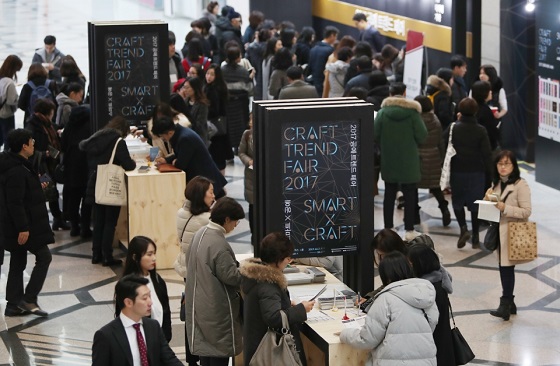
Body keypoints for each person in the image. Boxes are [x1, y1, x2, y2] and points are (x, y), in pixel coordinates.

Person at [339, 251, 438, 365]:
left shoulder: (385, 299)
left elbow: (367, 340)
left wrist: (345, 334)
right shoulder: (426, 295)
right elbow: (432, 324)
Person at [185, 197, 245, 366]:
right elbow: (231, 277)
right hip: (217, 310)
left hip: (199, 305)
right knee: (219, 356)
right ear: (226, 219)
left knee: (206, 353)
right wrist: (247, 271)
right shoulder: (219, 244)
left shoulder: (200, 233)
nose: (235, 226)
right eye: (235, 221)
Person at [0, 129, 54, 317]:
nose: (33, 144)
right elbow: (15, 203)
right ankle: (29, 298)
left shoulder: (18, 164)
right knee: (45, 256)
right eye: (31, 141)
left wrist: (36, 184)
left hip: (16, 224)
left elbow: (20, 194)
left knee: (18, 260)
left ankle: (13, 304)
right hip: (23, 225)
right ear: (24, 146)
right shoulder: (16, 170)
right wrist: (23, 228)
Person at [240, 232, 315, 366]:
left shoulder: (255, 277)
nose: (289, 261)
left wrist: (285, 303)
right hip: (268, 352)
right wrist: (301, 309)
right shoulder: (268, 284)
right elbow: (273, 318)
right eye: (287, 258)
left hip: (255, 344)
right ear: (278, 260)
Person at [79, 116, 136, 265]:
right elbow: (128, 165)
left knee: (99, 221)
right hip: (110, 185)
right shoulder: (118, 142)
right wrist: (134, 162)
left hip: (94, 184)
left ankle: (96, 254)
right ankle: (107, 256)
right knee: (110, 222)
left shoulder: (96, 139)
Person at [374, 82, 427, 241]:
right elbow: (423, 136)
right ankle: (409, 230)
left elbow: (375, 135)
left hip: (389, 160)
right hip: (409, 161)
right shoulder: (412, 113)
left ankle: (388, 227)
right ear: (404, 93)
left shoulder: (383, 113)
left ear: (390, 93)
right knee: (410, 196)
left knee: (389, 194)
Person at [92, 274, 183, 366]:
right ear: (128, 302)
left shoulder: (153, 326)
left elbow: (169, 359)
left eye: (149, 296)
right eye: (144, 298)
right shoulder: (106, 335)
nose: (150, 302)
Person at [484, 150, 532, 321]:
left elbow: (527, 211)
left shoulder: (521, 185)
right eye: (500, 164)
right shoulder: (495, 184)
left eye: (507, 163)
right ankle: (510, 304)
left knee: (506, 268)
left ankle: (505, 304)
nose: (503, 167)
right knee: (503, 267)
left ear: (513, 166)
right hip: (499, 232)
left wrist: (505, 208)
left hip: (513, 232)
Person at [445, 98, 492, 249]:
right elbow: (487, 154)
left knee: (457, 201)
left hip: (457, 169)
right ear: (475, 111)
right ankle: (476, 236)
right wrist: (491, 175)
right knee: (475, 204)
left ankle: (463, 228)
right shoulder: (480, 130)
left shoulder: (454, 128)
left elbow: (444, 143)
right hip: (476, 171)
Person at [152, 117, 227, 198]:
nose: (163, 139)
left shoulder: (185, 138)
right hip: (201, 179)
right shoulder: (180, 133)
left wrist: (176, 162)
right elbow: (180, 154)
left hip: (207, 180)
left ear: (169, 133)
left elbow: (181, 164)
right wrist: (166, 160)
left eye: (162, 136)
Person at [407, 243, 455, 365]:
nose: (409, 266)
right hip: (443, 343)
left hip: (434, 345)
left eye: (411, 263)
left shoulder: (428, 289)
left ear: (420, 264)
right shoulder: (440, 280)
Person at [26, 98, 69, 231]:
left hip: (50, 165)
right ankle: (43, 225)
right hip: (40, 167)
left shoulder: (48, 125)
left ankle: (57, 220)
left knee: (52, 192)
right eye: (51, 112)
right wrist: (44, 154)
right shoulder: (33, 126)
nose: (53, 115)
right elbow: (29, 149)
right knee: (43, 193)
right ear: (46, 113)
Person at [119, 236, 172, 342]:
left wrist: (165, 338)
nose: (154, 258)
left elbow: (166, 310)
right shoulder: (128, 285)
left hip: (160, 339)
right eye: (149, 254)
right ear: (135, 257)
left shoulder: (157, 280)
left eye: (154, 253)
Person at [414, 95, 451, 227]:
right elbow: (441, 141)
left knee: (413, 187)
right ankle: (444, 208)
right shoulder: (435, 120)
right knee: (435, 187)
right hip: (434, 156)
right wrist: (441, 159)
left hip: (417, 156)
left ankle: (415, 214)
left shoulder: (415, 120)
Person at [60, 105, 92, 237]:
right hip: (86, 165)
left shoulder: (69, 126)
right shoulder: (90, 125)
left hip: (71, 165)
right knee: (87, 198)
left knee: (73, 197)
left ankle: (74, 227)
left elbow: (63, 145)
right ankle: (85, 228)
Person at [205, 64, 234, 174]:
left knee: (217, 155)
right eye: (207, 73)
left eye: (212, 74)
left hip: (215, 127)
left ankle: (221, 184)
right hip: (219, 127)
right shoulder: (213, 88)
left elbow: (215, 110)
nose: (209, 77)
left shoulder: (214, 90)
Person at [0, 55, 23, 149]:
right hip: (6, 114)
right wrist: (19, 98)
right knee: (8, 139)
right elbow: (11, 101)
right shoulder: (9, 82)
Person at [308, 26, 339, 96]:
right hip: (324, 81)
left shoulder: (313, 49)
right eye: (336, 36)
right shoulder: (331, 50)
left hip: (314, 81)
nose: (336, 39)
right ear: (331, 35)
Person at [471, 80, 500, 151]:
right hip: (485, 147)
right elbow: (490, 131)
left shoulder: (471, 106)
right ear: (483, 93)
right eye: (489, 90)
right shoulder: (485, 110)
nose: (491, 92)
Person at [238, 115, 254, 238]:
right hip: (251, 176)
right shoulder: (247, 135)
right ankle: (254, 233)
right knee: (253, 206)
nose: (251, 122)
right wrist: (248, 161)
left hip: (266, 176)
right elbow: (241, 152)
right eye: (250, 119)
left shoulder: (268, 132)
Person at [184, 76, 210, 145]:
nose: (185, 90)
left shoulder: (202, 104)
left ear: (195, 88)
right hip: (186, 137)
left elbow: (199, 125)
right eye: (184, 87)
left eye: (187, 87)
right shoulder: (185, 102)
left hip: (198, 138)